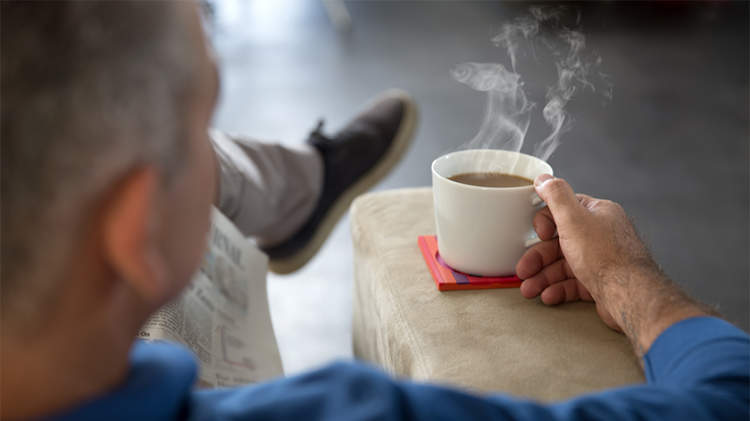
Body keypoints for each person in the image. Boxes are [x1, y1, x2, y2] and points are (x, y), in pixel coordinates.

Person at [1, 2, 747, 420]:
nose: (214, 147)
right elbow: (725, 400)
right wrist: (629, 282)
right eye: (204, 128)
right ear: (135, 234)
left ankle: (300, 185)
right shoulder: (345, 413)